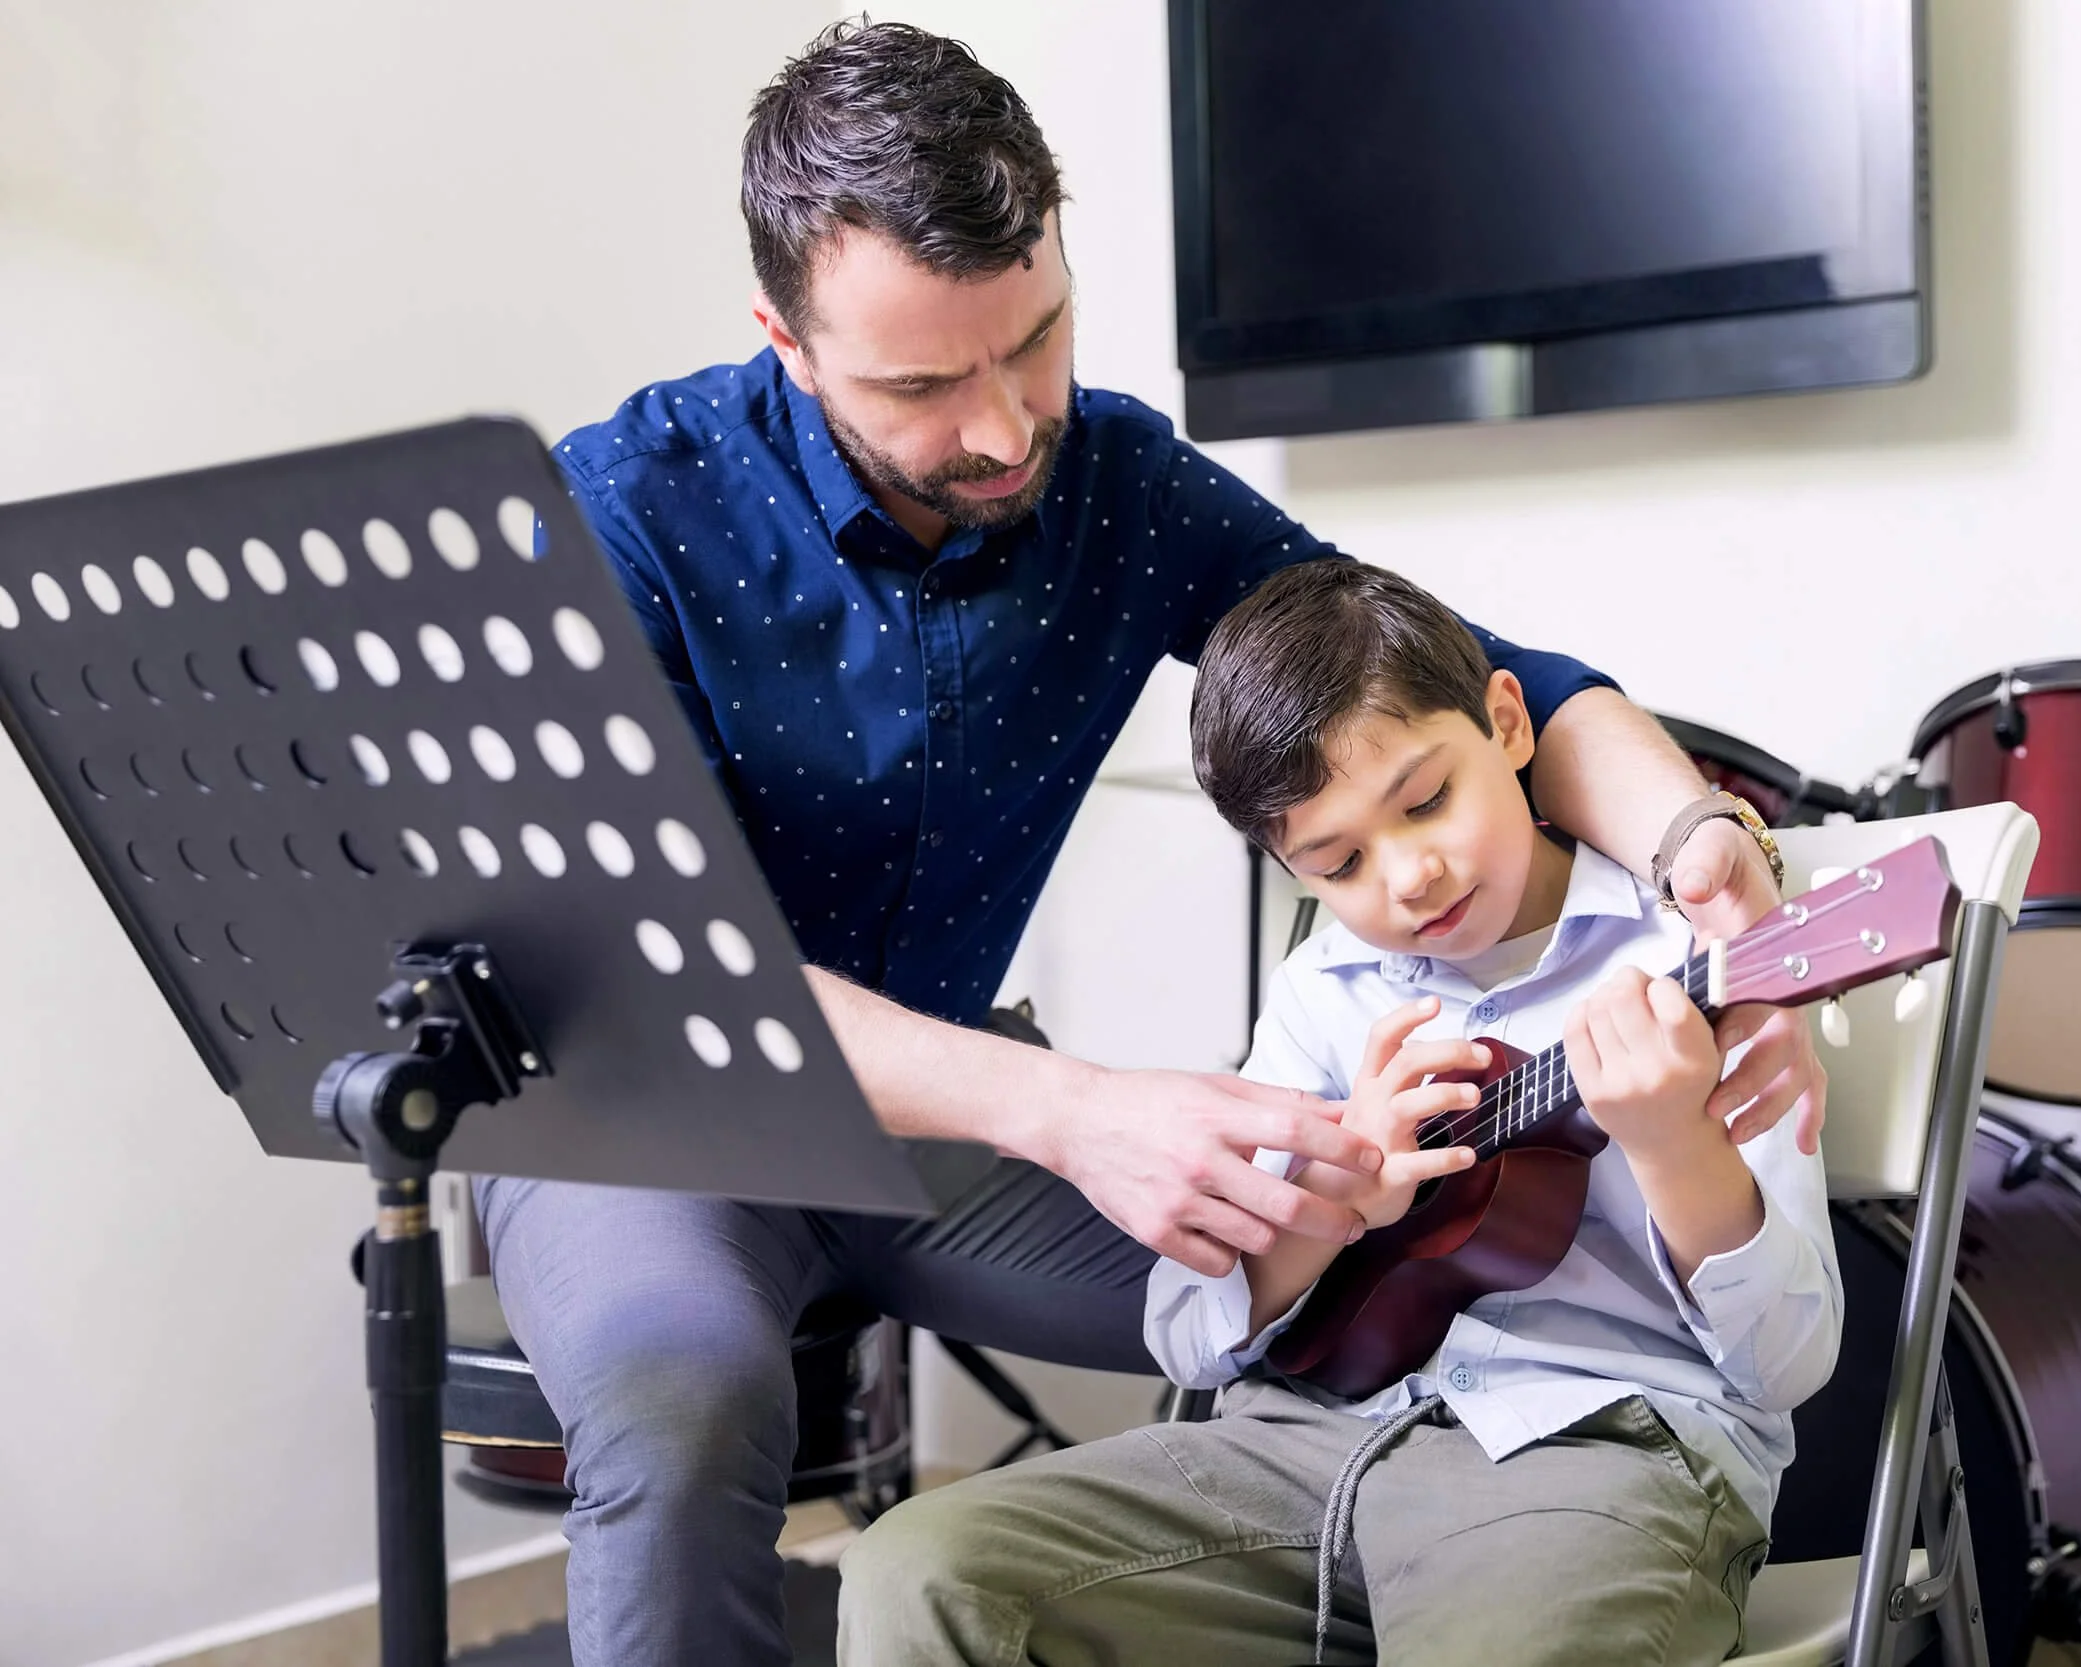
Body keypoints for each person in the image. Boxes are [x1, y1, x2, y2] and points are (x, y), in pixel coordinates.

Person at [479, 21, 1826, 1663]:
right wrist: (1078, 1109)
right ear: (784, 336)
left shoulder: (1112, 475)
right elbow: (670, 977)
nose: (1000, 429)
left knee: (1300, 1273)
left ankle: (1457, 1540)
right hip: (658, 1112)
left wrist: (1692, 837)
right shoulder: (617, 509)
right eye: (922, 385)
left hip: (937, 1135)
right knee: (688, 1396)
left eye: (1033, 340)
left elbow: (1471, 681)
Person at [835, 560, 1844, 1666]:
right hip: (1302, 1446)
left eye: (1425, 800)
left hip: (1604, 1454)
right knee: (919, 1568)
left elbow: (1787, 1361)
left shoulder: (1692, 959)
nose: (1408, 876)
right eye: (1341, 860)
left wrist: (1673, 1145)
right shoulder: (1325, 991)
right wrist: (1329, 1205)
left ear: (1507, 722)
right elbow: (1185, 1324)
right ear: (1290, 868)